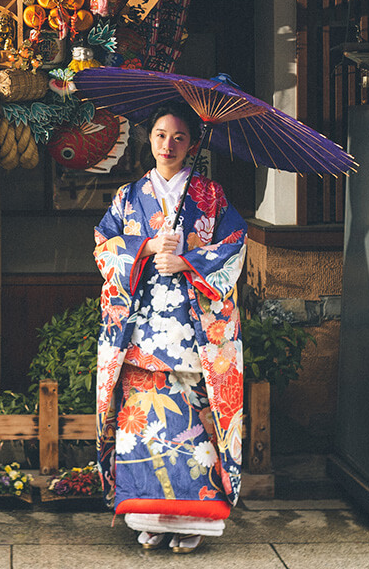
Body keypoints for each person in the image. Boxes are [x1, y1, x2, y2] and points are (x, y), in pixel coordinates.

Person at [93, 101, 247, 554]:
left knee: (195, 424)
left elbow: (234, 246)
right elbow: (104, 247)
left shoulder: (211, 197)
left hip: (192, 331)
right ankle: (149, 514)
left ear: (192, 144)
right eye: (161, 135)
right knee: (142, 424)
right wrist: (142, 246)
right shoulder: (127, 196)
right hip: (141, 332)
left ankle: (195, 520)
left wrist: (186, 260)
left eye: (179, 137)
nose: (168, 145)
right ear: (150, 140)